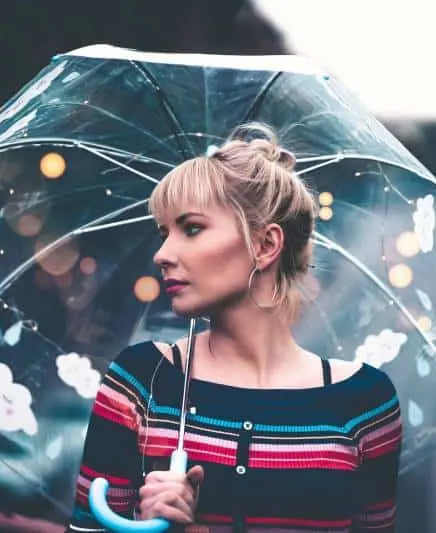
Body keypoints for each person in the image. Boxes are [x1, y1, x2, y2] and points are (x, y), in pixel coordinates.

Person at [67, 124, 403, 532]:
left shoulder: (364, 402)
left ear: (265, 245)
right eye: (163, 233)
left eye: (191, 229)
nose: (162, 254)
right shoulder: (140, 382)